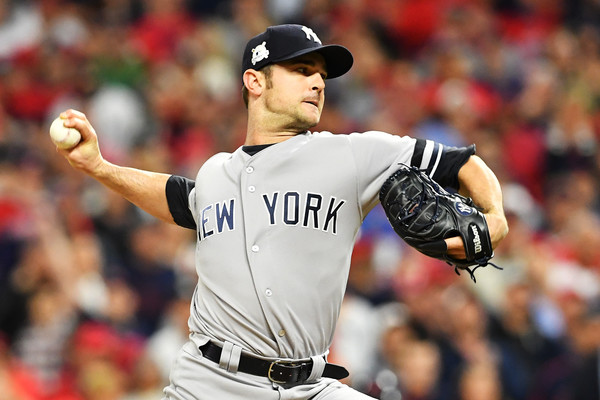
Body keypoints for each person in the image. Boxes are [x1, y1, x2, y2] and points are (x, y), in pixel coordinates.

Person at [56, 24, 508, 400]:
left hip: (310, 386)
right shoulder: (217, 172)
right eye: (301, 69)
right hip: (209, 383)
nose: (317, 83)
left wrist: (494, 217)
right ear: (256, 81)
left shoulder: (353, 155)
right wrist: (100, 167)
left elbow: (463, 163)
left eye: (321, 76)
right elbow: (181, 199)